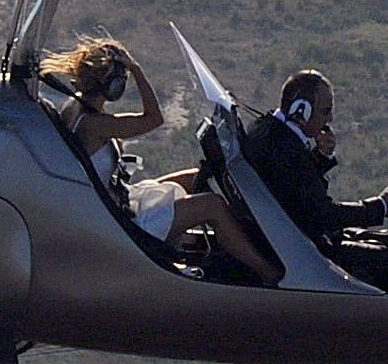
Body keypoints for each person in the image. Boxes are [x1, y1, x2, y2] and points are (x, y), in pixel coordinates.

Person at [237, 69, 388, 287]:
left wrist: (321, 157)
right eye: (325, 111)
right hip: (312, 252)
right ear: (302, 111)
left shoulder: (268, 130)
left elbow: (292, 187)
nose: (329, 119)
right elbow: (322, 214)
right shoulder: (286, 148)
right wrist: (381, 206)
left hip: (301, 240)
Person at [37, 37, 239, 262]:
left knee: (197, 178)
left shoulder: (74, 108)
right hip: (119, 221)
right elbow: (154, 118)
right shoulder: (96, 124)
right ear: (113, 86)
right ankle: (267, 274)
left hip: (116, 200)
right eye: (121, 80)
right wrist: (137, 70)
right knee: (213, 205)